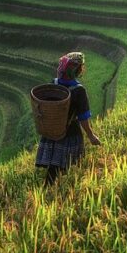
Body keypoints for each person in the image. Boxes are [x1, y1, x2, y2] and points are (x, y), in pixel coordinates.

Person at [35, 52, 101, 186]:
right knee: (65, 166)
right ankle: (54, 191)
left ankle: (51, 189)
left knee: (54, 165)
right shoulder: (78, 91)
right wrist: (91, 135)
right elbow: (83, 117)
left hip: (52, 132)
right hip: (69, 133)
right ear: (79, 70)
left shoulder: (53, 84)